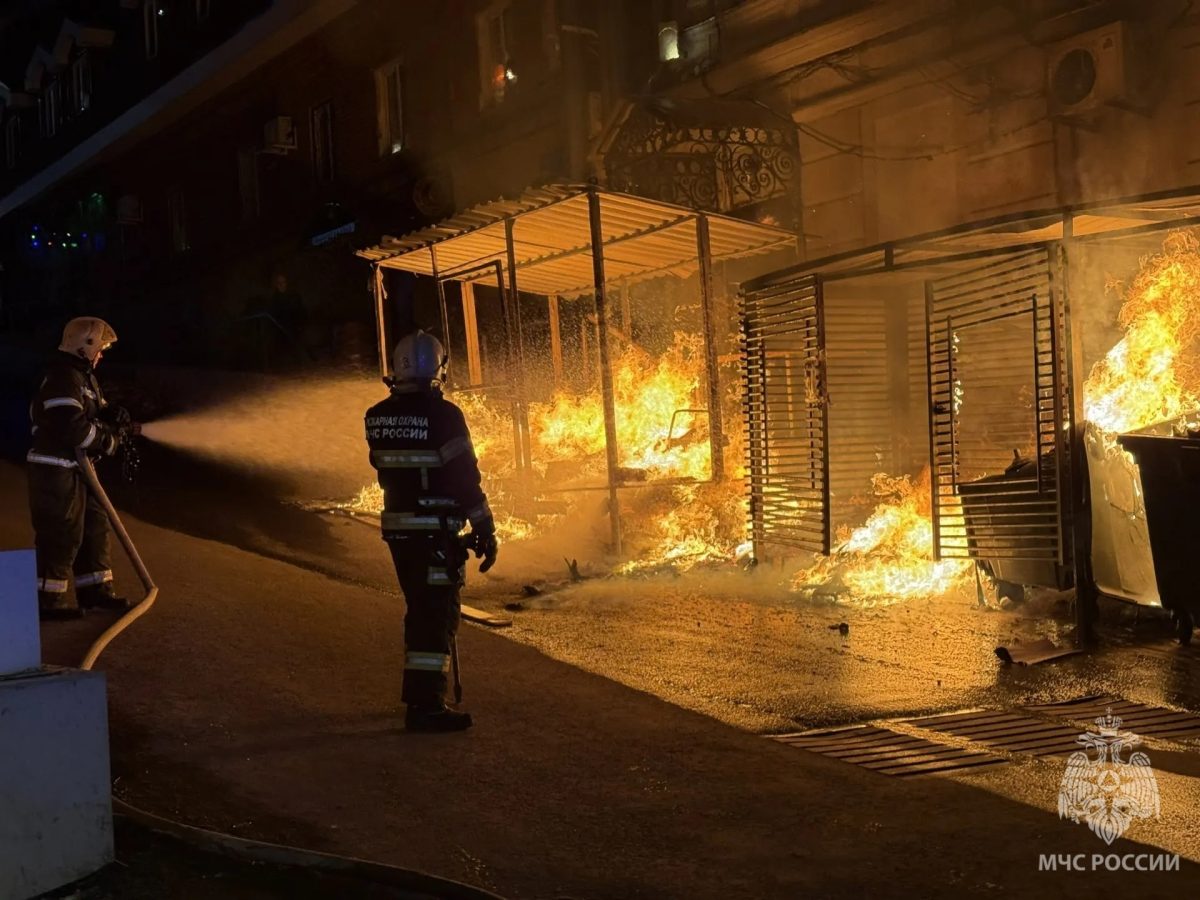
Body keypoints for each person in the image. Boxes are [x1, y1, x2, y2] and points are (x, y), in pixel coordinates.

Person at [365, 329, 498, 732]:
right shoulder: (444, 415)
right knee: (435, 616)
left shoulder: (377, 416)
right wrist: (485, 525)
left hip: (400, 533)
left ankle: (420, 697)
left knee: (420, 611)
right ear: (439, 369)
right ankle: (426, 708)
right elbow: (462, 476)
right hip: (435, 533)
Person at [28, 317, 138, 620]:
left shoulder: (83, 376)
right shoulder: (64, 376)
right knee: (61, 533)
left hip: (79, 468)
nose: (100, 354)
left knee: (94, 528)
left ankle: (96, 594)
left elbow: (88, 413)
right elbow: (71, 426)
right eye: (99, 348)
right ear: (83, 346)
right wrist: (107, 441)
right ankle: (48, 604)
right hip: (56, 470)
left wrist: (109, 411)